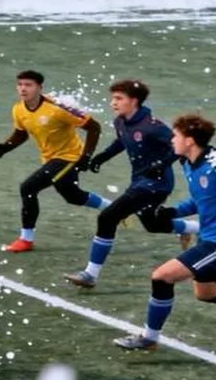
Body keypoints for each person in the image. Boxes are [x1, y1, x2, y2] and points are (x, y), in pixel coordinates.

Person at [114, 113, 216, 350]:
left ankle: (149, 338)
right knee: (208, 294)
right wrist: (173, 211)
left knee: (161, 277)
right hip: (210, 239)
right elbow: (203, 198)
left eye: (176, 136)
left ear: (189, 140)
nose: (172, 140)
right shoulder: (190, 164)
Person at [64, 80, 199, 288]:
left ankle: (90, 274)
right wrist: (102, 157)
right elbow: (121, 141)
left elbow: (178, 146)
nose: (113, 103)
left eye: (119, 98)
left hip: (156, 185)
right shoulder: (120, 122)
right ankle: (195, 227)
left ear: (134, 101)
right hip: (139, 182)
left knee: (108, 217)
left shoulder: (152, 126)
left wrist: (160, 164)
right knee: (153, 225)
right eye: (113, 98)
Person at [0, 70, 111, 253]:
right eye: (20, 84)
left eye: (28, 85)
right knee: (73, 196)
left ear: (40, 88)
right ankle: (114, 209)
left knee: (28, 188)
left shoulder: (58, 108)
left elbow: (94, 127)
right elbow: (22, 133)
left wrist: (86, 156)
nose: (23, 89)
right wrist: (6, 146)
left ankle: (26, 240)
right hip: (50, 159)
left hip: (70, 157)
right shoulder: (18, 109)